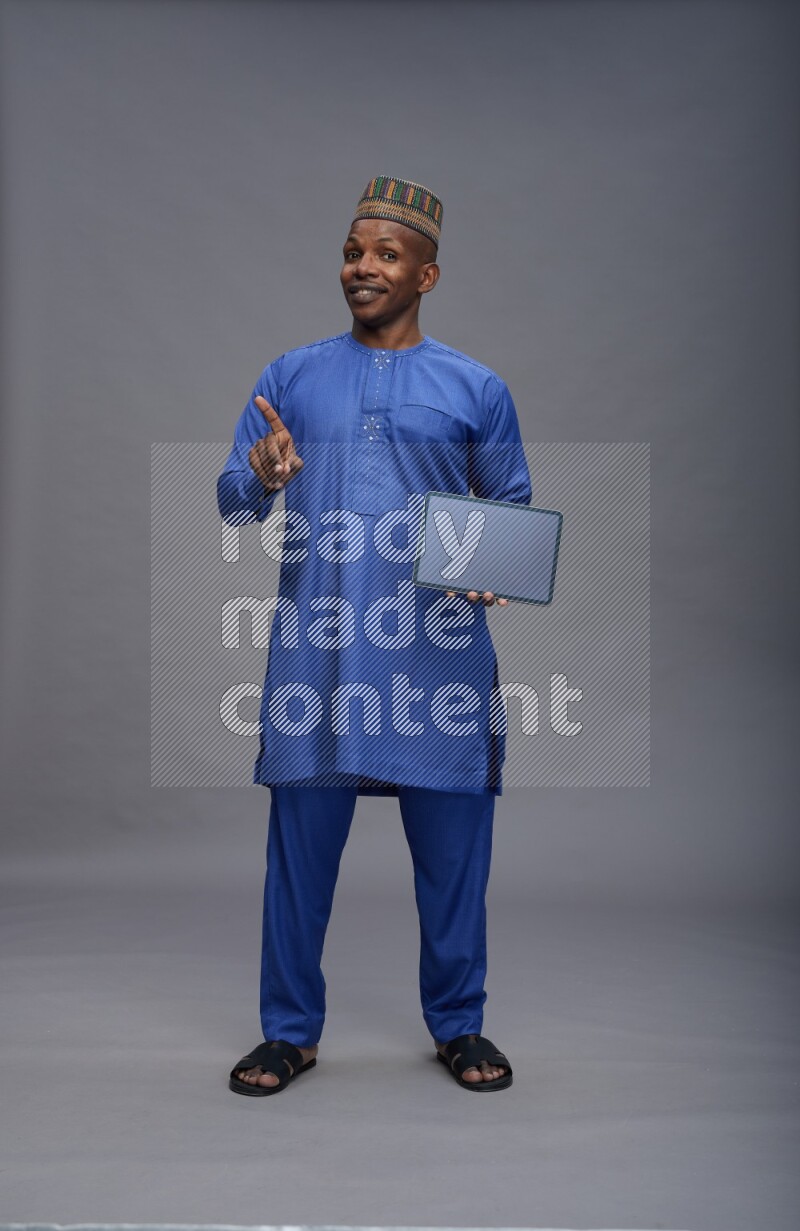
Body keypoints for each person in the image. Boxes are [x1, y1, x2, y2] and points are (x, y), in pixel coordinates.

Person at [218, 176, 531, 1094]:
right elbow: (233, 499)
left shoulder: (476, 386)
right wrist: (264, 475)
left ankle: (460, 1025)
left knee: (454, 856)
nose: (363, 267)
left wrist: (492, 563)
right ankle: (289, 1031)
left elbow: (509, 511)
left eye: (386, 254)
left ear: (425, 274)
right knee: (299, 855)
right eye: (354, 251)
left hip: (436, 658)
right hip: (318, 654)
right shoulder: (290, 376)